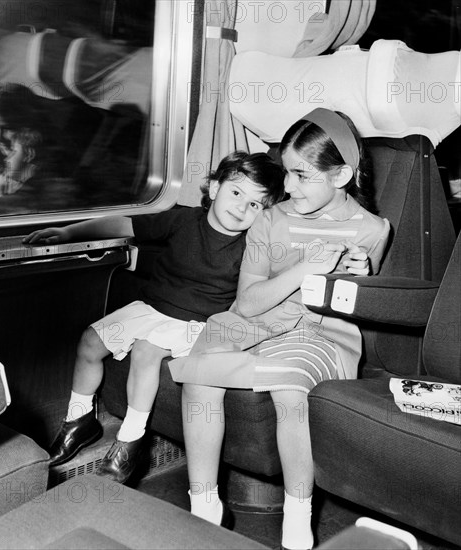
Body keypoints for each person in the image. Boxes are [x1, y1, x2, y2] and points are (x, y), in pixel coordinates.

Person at [169, 108, 390, 548]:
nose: (285, 186)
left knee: (290, 390)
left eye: (300, 175)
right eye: (285, 173)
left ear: (341, 175)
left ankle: (297, 523)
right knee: (198, 374)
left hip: (320, 331)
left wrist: (359, 279)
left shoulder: (372, 229)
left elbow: (362, 308)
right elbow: (248, 303)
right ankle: (204, 505)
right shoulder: (271, 219)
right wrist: (305, 268)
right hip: (254, 322)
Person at [23, 151, 286, 484]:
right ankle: (80, 421)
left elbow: (271, 281)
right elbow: (124, 224)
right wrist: (69, 232)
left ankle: (129, 442)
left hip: (196, 324)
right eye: (237, 193)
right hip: (150, 308)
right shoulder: (183, 220)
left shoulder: (252, 248)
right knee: (90, 341)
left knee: (147, 350)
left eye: (255, 205)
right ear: (215, 188)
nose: (242, 207)